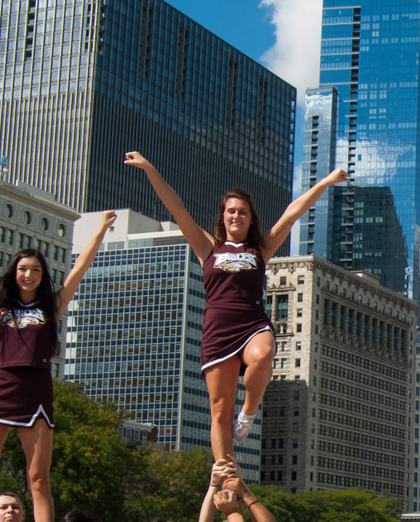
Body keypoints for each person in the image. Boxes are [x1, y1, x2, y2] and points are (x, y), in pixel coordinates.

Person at [124, 151, 347, 463]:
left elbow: (291, 214)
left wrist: (326, 182)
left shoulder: (261, 248)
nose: (236, 216)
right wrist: (149, 167)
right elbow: (177, 208)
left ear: (251, 218)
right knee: (219, 410)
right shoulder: (207, 248)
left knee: (264, 355)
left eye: (243, 212)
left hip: (253, 323)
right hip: (218, 332)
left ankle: (249, 412)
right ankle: (227, 476)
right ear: (223, 216)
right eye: (231, 211)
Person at [0, 199, 115, 522]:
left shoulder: (52, 306)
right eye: (23, 269)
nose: (28, 274)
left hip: (37, 391)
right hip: (2, 386)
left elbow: (80, 267)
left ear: (42, 275)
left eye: (35, 270)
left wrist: (100, 230)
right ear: (14, 272)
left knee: (38, 478)